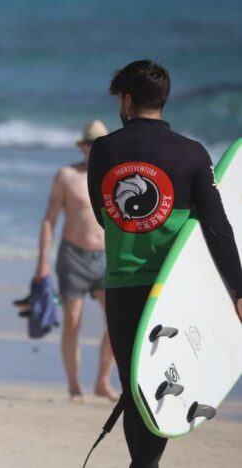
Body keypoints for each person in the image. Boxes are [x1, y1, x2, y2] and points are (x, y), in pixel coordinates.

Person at [88, 59, 242, 467]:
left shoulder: (104, 150)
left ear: (126, 101)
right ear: (164, 100)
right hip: (176, 289)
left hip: (123, 285)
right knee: (161, 385)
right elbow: (218, 228)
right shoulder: (192, 153)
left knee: (135, 386)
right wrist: (238, 289)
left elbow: (102, 214)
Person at [34, 120, 119, 403]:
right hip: (73, 256)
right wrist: (42, 262)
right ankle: (73, 385)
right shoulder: (67, 176)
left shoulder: (116, 177)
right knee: (72, 322)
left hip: (107, 256)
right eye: (91, 144)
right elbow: (49, 220)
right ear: (83, 146)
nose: (94, 149)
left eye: (100, 144)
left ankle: (103, 380)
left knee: (116, 323)